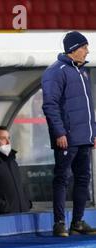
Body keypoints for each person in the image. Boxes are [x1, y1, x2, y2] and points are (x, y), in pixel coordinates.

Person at [42, 31, 96, 237]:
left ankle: (78, 222)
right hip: (67, 137)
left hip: (84, 136)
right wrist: (59, 132)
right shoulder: (56, 71)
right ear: (73, 49)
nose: (87, 51)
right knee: (62, 178)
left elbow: (88, 107)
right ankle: (58, 223)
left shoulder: (82, 72)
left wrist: (93, 131)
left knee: (83, 178)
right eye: (84, 47)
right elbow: (50, 105)